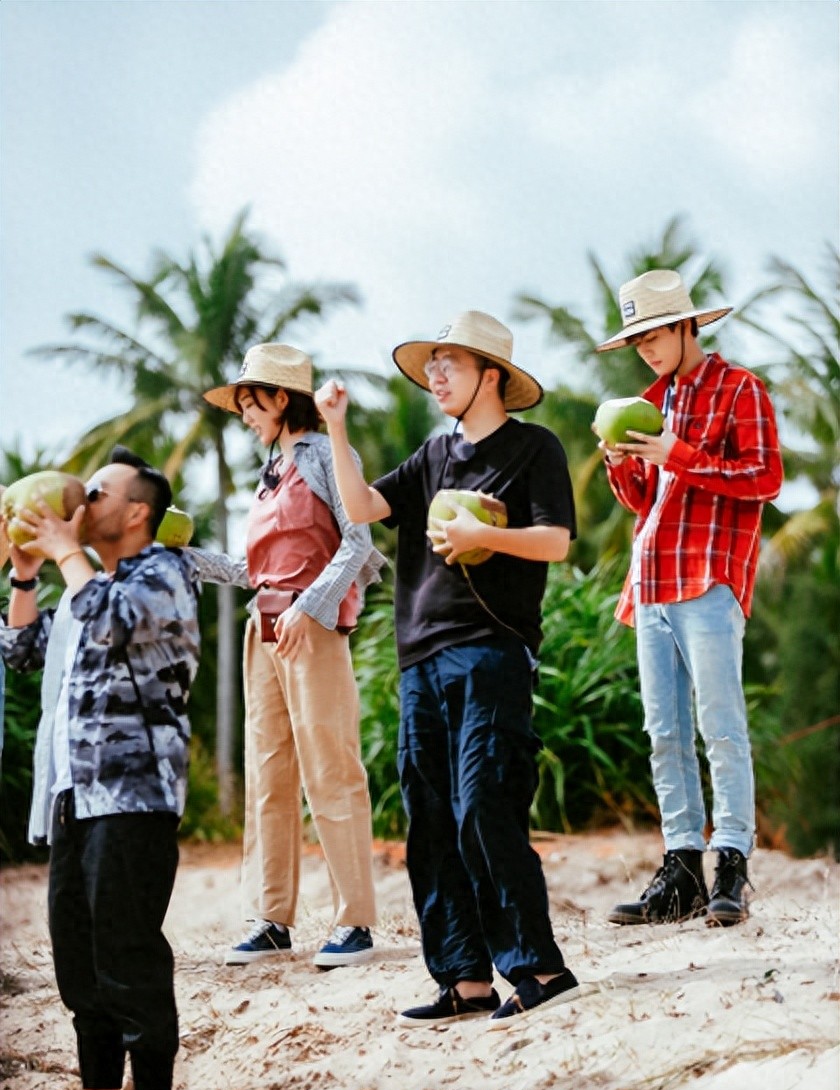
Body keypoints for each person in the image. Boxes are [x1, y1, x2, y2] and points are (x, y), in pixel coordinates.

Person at [317, 310, 580, 1027]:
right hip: (420, 658)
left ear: (492, 375)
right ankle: (464, 978)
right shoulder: (433, 457)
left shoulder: (534, 449)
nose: (435, 376)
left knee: (484, 804)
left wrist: (481, 534)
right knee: (430, 820)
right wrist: (336, 428)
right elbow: (363, 506)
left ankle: (540, 967)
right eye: (430, 365)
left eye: (450, 364)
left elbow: (556, 542)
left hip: (492, 650)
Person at [1, 448, 200, 1090]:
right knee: (81, 974)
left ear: (137, 511)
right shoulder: (94, 583)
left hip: (136, 797)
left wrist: (64, 549)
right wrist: (27, 570)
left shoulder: (162, 577)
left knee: (130, 965)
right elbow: (21, 648)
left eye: (98, 492)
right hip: (75, 800)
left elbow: (107, 618)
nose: (82, 500)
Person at [594, 269, 783, 927]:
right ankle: (681, 873)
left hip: (707, 578)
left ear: (686, 325)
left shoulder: (741, 390)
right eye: (636, 339)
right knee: (663, 731)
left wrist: (681, 452)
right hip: (650, 581)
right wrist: (624, 465)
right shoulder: (654, 402)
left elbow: (765, 478)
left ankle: (731, 861)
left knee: (720, 724)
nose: (645, 349)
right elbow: (646, 501)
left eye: (653, 334)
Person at [198, 343, 384, 968]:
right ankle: (271, 918)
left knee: (331, 769)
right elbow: (253, 570)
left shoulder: (331, 454)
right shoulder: (270, 470)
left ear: (282, 399)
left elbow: (357, 542)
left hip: (315, 627)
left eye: (252, 405)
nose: (246, 416)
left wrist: (312, 606)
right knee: (268, 774)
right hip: (265, 627)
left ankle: (354, 921)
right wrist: (185, 559)